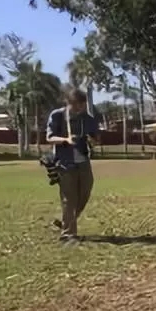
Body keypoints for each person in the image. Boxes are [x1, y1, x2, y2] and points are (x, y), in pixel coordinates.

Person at [45, 88, 99, 243]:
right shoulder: (58, 116)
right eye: (76, 105)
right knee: (69, 198)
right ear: (68, 103)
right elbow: (49, 138)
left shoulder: (87, 118)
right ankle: (68, 234)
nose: (79, 109)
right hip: (65, 162)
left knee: (85, 192)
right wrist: (65, 140)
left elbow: (96, 139)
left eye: (81, 105)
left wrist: (92, 141)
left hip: (83, 161)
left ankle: (65, 222)